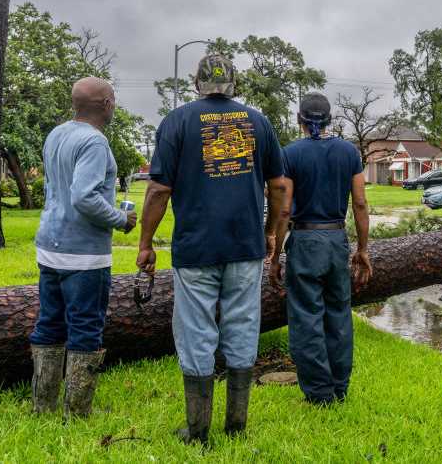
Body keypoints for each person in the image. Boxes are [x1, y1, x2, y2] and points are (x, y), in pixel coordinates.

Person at [136, 54, 287, 444]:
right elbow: (280, 187)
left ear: (196, 83)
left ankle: (197, 431)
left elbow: (158, 189)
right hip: (245, 245)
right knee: (243, 326)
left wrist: (146, 243)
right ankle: (236, 426)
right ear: (234, 83)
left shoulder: (177, 121)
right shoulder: (259, 122)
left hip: (196, 246)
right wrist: (270, 232)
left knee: (195, 330)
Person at [30, 76, 137, 419]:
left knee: (49, 324)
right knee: (86, 327)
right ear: (106, 104)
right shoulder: (94, 143)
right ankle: (76, 412)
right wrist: (121, 219)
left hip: (49, 245)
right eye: (114, 99)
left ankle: (42, 406)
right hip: (83, 254)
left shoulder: (57, 134)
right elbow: (84, 197)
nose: (115, 104)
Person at [269, 92, 372, 406]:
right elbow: (360, 203)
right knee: (338, 315)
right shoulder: (349, 152)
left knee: (306, 317)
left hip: (305, 240)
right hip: (337, 240)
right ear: (330, 120)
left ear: (300, 120)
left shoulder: (290, 153)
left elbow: (284, 210)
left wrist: (276, 255)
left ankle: (318, 393)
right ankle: (339, 387)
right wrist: (363, 250)